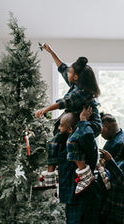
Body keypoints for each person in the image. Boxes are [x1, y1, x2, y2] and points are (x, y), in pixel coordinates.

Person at [35, 43, 101, 194]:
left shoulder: (81, 92)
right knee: (54, 142)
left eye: (71, 72)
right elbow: (62, 68)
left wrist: (45, 109)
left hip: (91, 123)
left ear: (76, 77)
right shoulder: (75, 81)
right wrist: (51, 51)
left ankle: (85, 175)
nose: (68, 73)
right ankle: (50, 179)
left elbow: (63, 103)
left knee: (72, 141)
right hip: (77, 121)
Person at [56, 108, 101, 224]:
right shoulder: (64, 144)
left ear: (71, 129)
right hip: (71, 198)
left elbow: (87, 135)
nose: (59, 129)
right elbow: (58, 129)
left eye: (61, 126)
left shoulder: (83, 141)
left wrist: (83, 120)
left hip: (84, 198)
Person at [98, 112, 124, 224]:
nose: (100, 133)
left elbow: (115, 168)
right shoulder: (113, 140)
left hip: (113, 192)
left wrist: (103, 163)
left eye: (100, 129)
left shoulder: (120, 143)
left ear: (107, 126)